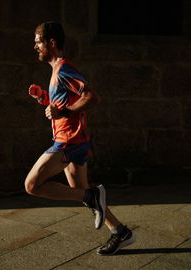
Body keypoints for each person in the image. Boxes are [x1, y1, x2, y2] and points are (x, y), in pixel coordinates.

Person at [24, 21, 136, 256]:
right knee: (80, 192)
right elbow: (65, 102)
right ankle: (120, 232)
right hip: (75, 140)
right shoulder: (56, 71)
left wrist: (63, 112)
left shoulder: (63, 69)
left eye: (38, 42)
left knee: (32, 185)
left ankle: (93, 195)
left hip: (68, 142)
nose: (35, 46)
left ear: (51, 43)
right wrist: (45, 98)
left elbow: (92, 97)